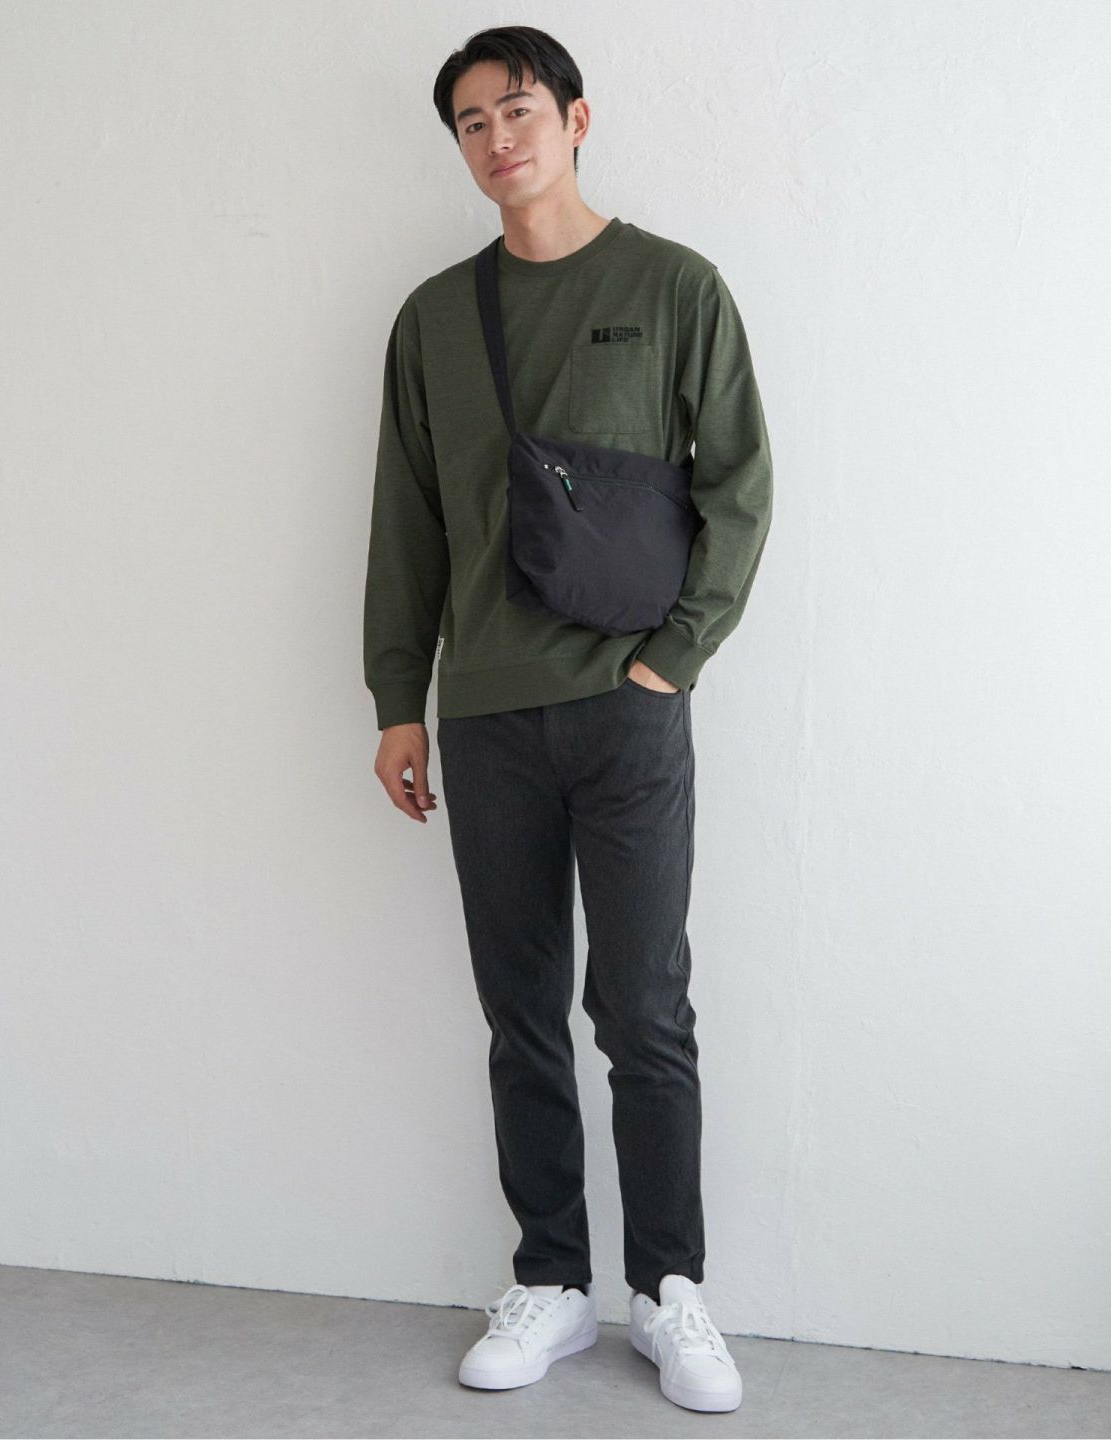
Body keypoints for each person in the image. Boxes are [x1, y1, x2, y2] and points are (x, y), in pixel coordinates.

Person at [363, 24, 773, 1415]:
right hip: (484, 714)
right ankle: (549, 1277)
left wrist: (675, 660)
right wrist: (397, 699)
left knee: (643, 1008)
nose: (497, 140)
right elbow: (407, 520)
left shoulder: (673, 287)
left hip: (626, 711)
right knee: (520, 1009)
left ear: (577, 120)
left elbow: (740, 487)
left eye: (519, 110)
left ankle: (669, 1289)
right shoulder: (433, 318)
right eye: (471, 123)